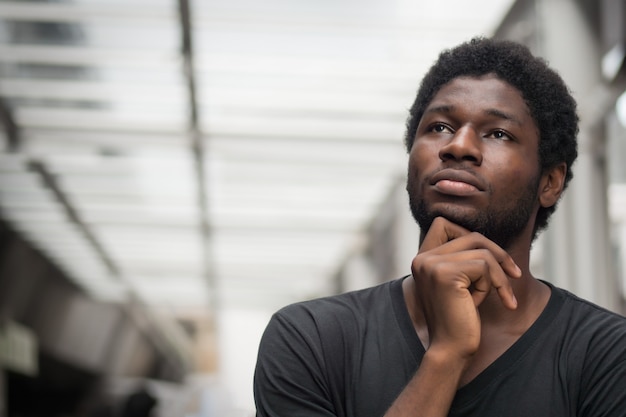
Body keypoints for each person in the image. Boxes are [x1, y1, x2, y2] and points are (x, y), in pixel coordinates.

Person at [253, 37, 626, 417]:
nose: (459, 146)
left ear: (549, 182)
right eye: (440, 127)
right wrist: (446, 355)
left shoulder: (608, 356)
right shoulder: (312, 338)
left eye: (498, 133)